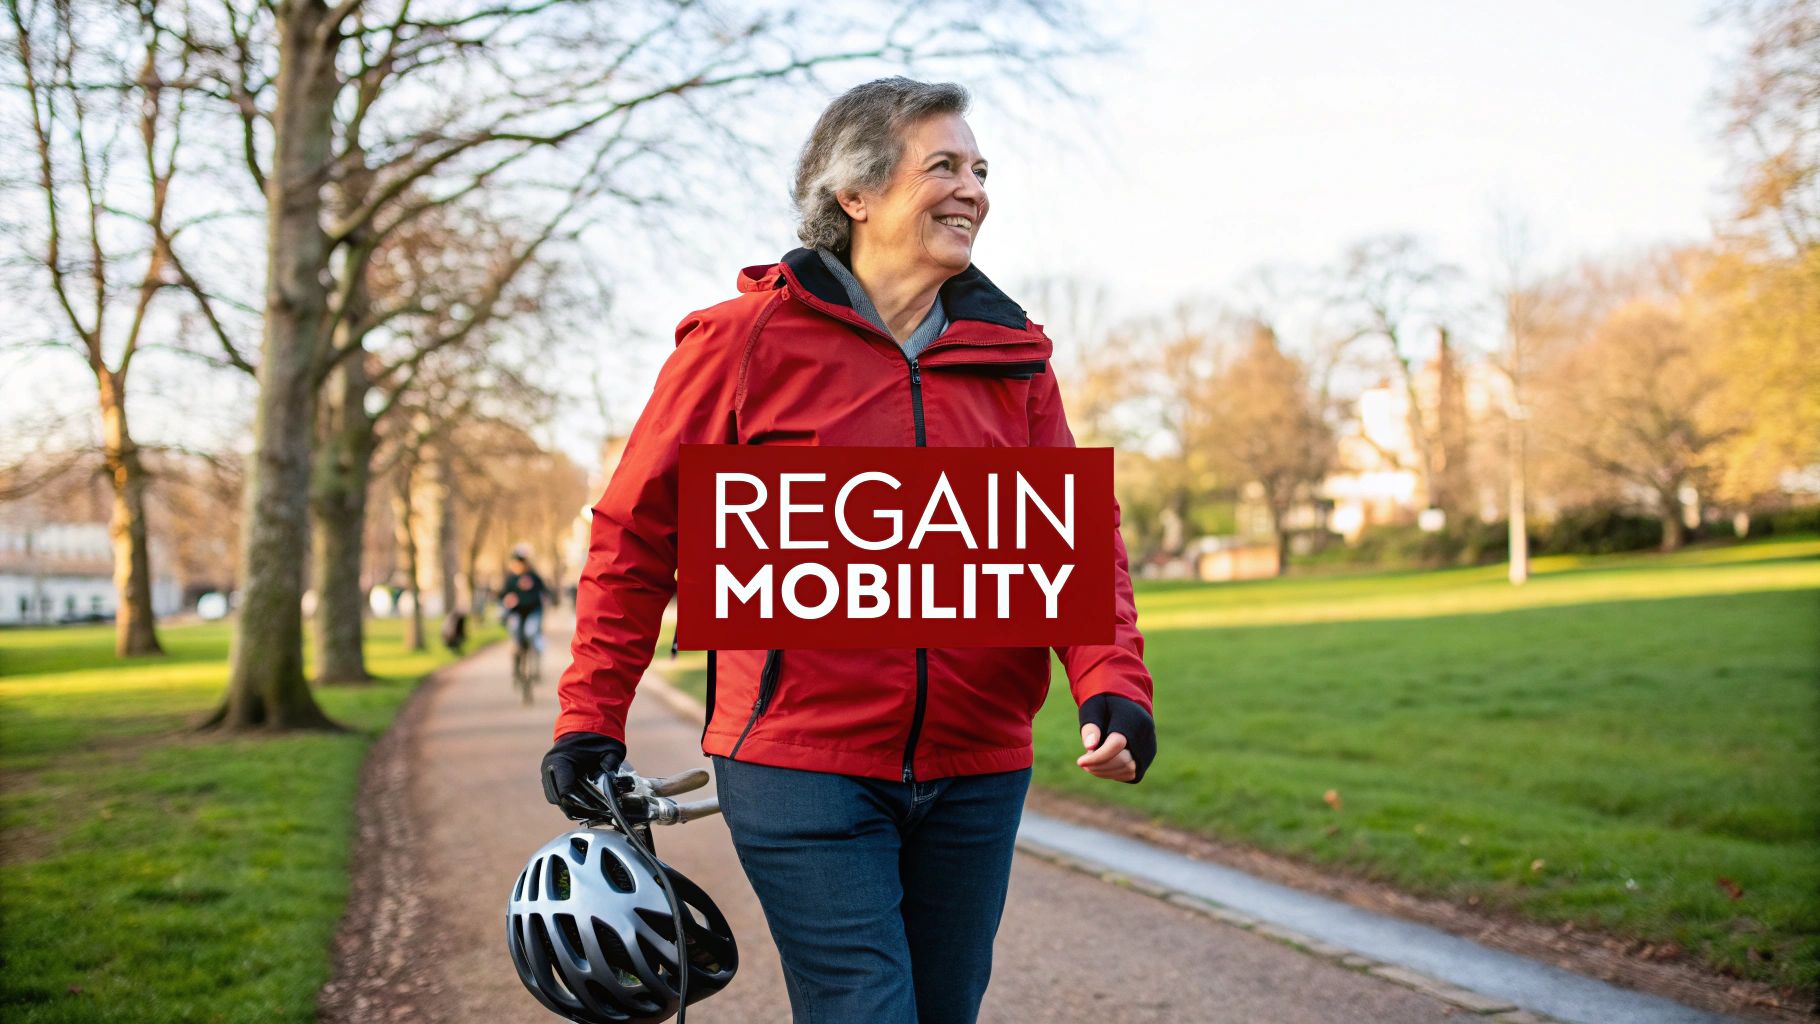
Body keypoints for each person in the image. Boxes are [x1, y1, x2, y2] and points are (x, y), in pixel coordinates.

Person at [541, 77, 1157, 1024]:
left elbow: (1076, 544)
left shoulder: (1015, 357)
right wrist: (591, 716)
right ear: (854, 196)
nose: (974, 190)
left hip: (977, 764)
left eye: (980, 169)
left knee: (945, 1007)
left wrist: (1111, 683)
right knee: (863, 1006)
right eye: (943, 166)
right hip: (800, 762)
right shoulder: (741, 343)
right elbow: (638, 532)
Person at [499, 546, 552, 658]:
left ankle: (537, 651)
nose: (520, 564)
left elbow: (544, 591)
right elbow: (503, 594)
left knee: (531, 631)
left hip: (533, 611)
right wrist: (507, 600)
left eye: (522, 561)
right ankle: (517, 650)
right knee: (514, 629)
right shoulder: (511, 578)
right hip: (517, 612)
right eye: (517, 561)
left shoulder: (534, 577)